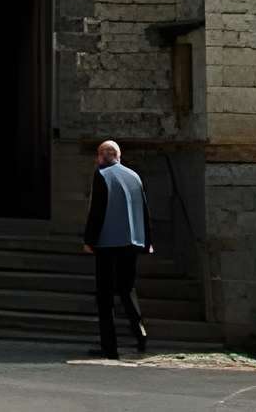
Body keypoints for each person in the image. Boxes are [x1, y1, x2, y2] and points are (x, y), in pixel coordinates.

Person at [83, 138, 152, 358]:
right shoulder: (134, 176)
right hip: (132, 243)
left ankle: (109, 347)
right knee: (127, 289)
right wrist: (148, 241)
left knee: (105, 296)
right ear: (119, 156)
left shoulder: (101, 175)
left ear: (102, 156)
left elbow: (97, 211)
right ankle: (140, 333)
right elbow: (144, 211)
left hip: (107, 243)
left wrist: (89, 240)